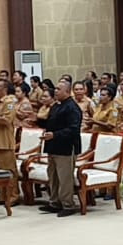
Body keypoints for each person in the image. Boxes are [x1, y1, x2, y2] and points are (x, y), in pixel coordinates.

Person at [36, 79, 83, 216]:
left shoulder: (72, 108)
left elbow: (73, 129)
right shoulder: (56, 105)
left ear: (67, 91)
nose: (55, 91)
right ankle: (55, 202)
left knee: (65, 178)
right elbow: (51, 123)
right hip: (53, 146)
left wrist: (54, 135)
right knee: (53, 176)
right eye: (55, 88)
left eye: (58, 89)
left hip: (66, 148)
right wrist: (37, 120)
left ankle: (68, 205)